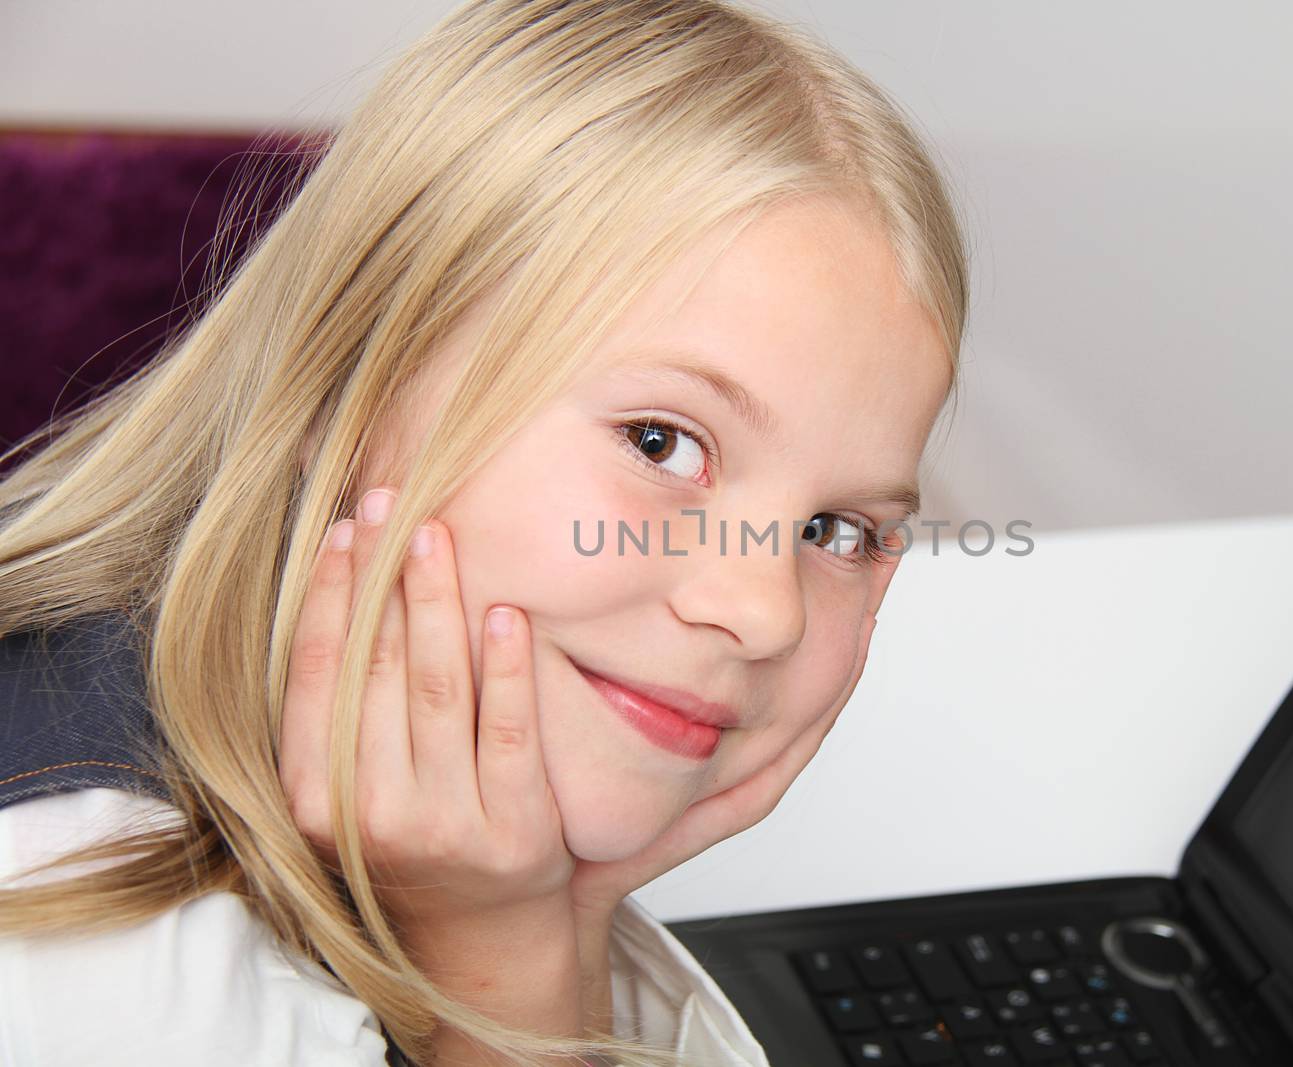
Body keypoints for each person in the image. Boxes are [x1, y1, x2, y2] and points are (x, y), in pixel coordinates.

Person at [0, 0, 969, 1064]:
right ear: (353, 382)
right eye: (660, 441)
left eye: (833, 528)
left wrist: (562, 910)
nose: (764, 610)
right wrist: (510, 965)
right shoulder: (113, 973)